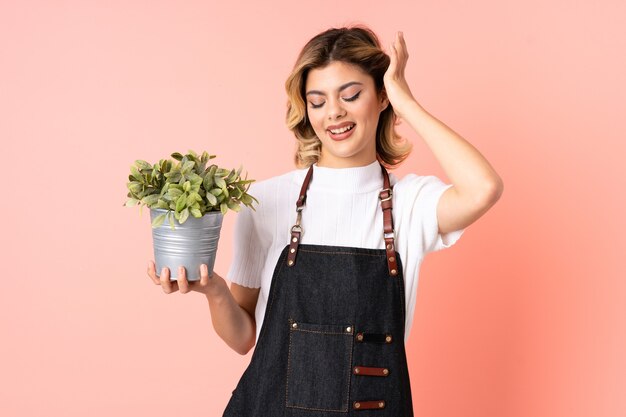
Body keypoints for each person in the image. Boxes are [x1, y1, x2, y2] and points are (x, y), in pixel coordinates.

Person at [147, 25, 503, 416]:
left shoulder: (410, 203)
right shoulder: (266, 200)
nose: (334, 112)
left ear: (381, 97)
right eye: (317, 102)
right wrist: (214, 290)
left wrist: (407, 101)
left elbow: (483, 188)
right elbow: (243, 337)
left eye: (351, 95)